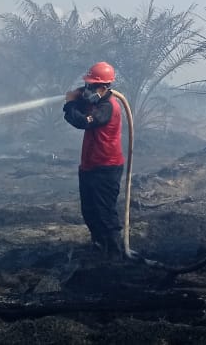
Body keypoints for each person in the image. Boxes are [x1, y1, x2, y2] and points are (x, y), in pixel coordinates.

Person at [62, 61, 134, 262]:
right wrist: (77, 97)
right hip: (90, 166)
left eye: (92, 86)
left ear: (104, 86)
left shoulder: (107, 107)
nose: (88, 89)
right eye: (87, 85)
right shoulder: (95, 102)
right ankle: (100, 247)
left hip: (106, 167)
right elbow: (77, 114)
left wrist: (69, 103)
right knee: (90, 211)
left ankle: (115, 255)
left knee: (104, 213)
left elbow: (81, 121)